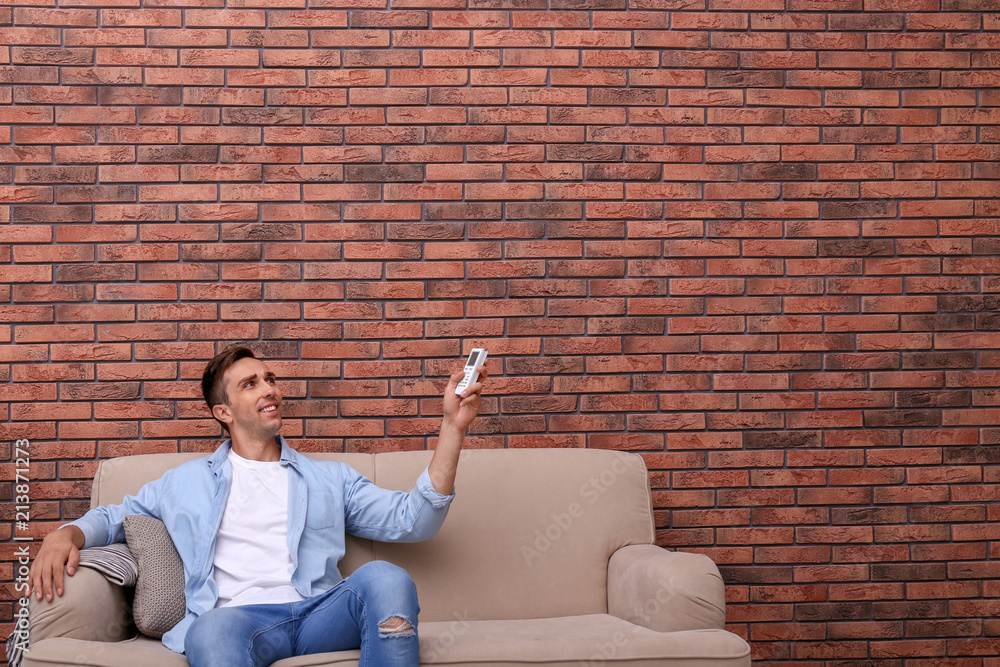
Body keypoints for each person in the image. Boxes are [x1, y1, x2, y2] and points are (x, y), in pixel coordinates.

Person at [28, 345, 487, 667]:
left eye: (270, 379)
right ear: (223, 412)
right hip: (237, 621)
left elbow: (415, 519)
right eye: (251, 384)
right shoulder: (183, 482)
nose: (269, 388)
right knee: (210, 630)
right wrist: (63, 534)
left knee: (387, 577)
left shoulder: (329, 478)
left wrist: (453, 426)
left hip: (318, 612)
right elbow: (113, 517)